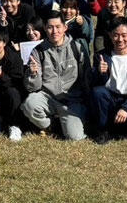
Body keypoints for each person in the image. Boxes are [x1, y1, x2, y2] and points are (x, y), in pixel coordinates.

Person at [21, 11, 90, 141]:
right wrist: (33, 74)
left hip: (72, 101)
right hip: (48, 98)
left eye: (58, 27)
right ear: (45, 29)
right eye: (50, 27)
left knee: (75, 138)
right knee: (29, 104)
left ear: (65, 27)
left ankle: (66, 124)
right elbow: (33, 88)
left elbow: (86, 78)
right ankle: (51, 125)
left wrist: (85, 103)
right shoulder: (38, 51)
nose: (54, 31)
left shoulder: (77, 47)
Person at [90, 18, 127, 144]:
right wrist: (100, 72)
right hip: (110, 98)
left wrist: (126, 108)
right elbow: (94, 85)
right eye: (116, 35)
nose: (120, 39)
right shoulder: (101, 56)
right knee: (98, 92)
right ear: (110, 35)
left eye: (124, 35)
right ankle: (103, 129)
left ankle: (120, 127)